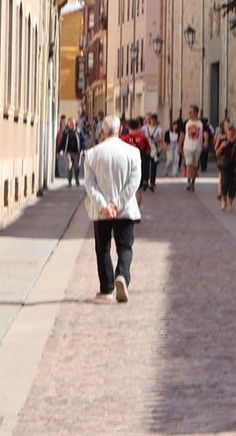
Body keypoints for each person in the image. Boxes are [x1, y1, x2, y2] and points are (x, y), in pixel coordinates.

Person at [82, 115, 143, 303]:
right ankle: (122, 275)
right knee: (125, 246)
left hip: (102, 212)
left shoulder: (92, 154)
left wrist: (104, 206)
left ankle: (106, 289)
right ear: (120, 131)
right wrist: (118, 203)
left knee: (103, 248)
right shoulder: (132, 152)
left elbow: (90, 185)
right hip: (124, 210)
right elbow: (134, 183)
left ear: (102, 132)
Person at [213, 122, 236, 211]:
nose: (231, 132)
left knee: (233, 184)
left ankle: (230, 202)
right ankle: (224, 200)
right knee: (224, 183)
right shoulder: (223, 141)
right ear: (226, 131)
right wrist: (221, 146)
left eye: (232, 130)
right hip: (224, 165)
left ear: (235, 131)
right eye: (229, 130)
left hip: (234, 166)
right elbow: (217, 153)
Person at [182, 106, 207, 192]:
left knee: (195, 166)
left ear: (196, 112)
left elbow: (205, 132)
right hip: (187, 146)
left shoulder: (201, 123)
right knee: (188, 164)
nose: (189, 114)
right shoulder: (186, 122)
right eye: (189, 112)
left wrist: (206, 141)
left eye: (191, 112)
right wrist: (179, 145)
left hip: (198, 147)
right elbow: (182, 134)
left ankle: (193, 182)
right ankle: (188, 182)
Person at [142, 113, 163, 192]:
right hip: (146, 149)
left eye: (154, 119)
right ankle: (145, 181)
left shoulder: (159, 128)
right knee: (145, 166)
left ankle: (152, 183)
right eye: (151, 119)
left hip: (155, 149)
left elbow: (161, 138)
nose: (152, 121)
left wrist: (154, 139)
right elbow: (141, 135)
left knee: (153, 166)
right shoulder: (144, 127)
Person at [58, 118, 82, 185]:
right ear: (68, 124)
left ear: (75, 124)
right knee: (69, 167)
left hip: (77, 152)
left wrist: (84, 148)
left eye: (73, 123)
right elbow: (62, 142)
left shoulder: (78, 131)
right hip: (68, 152)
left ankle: (77, 179)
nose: (72, 125)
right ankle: (69, 181)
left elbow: (82, 140)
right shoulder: (65, 132)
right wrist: (59, 150)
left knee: (77, 167)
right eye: (71, 123)